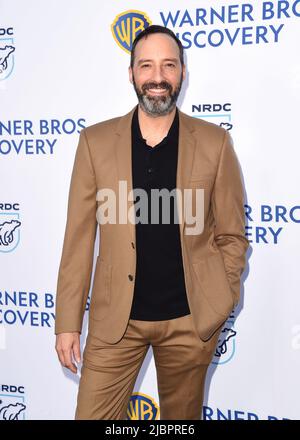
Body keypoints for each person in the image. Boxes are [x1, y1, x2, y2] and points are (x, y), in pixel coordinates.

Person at [54, 24, 249, 420]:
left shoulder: (214, 143)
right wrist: (67, 322)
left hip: (190, 324)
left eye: (168, 65)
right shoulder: (95, 142)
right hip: (115, 324)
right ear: (131, 73)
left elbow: (232, 233)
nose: (157, 77)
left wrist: (219, 297)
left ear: (181, 73)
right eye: (146, 66)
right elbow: (77, 240)